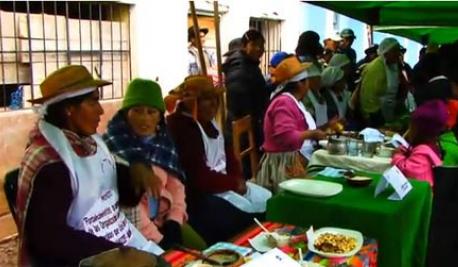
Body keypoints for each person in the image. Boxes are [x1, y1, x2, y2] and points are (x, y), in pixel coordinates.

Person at [16, 65, 163, 266]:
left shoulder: (89, 142)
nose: (101, 110)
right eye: (93, 102)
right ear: (69, 109)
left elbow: (117, 194)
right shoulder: (50, 162)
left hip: (117, 240)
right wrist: (115, 253)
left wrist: (135, 176)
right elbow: (48, 240)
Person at [166, 75, 271, 244]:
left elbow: (229, 155)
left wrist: (237, 179)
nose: (214, 104)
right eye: (207, 100)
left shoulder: (210, 122)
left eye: (215, 99)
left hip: (222, 184)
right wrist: (233, 184)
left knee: (266, 198)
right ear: (193, 103)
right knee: (243, 218)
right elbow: (199, 177)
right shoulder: (181, 126)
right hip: (199, 195)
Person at [103, 78, 205, 250]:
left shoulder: (163, 142)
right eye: (137, 111)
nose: (144, 119)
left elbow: (176, 186)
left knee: (202, 250)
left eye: (151, 112)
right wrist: (160, 240)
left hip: (165, 218)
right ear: (126, 113)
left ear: (160, 115)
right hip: (135, 230)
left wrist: (175, 219)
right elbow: (129, 210)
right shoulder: (114, 148)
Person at [257, 57, 328, 192]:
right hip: (280, 165)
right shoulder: (283, 102)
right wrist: (312, 134)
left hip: (290, 159)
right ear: (301, 84)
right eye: (307, 81)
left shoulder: (292, 101)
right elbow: (287, 137)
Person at [223, 29, 268, 178]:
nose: (259, 49)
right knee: (245, 169)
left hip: (251, 121)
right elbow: (238, 97)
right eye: (255, 45)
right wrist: (254, 115)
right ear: (244, 45)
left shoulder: (249, 64)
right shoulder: (239, 66)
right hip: (242, 125)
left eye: (262, 45)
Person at [392, 100, 448, 186]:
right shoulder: (431, 145)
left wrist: (397, 157)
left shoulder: (422, 151)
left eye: (412, 126)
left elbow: (407, 170)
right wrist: (406, 151)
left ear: (419, 130)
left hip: (420, 193)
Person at [359, 37, 402, 127]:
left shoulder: (394, 66)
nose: (398, 54)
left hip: (389, 112)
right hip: (375, 115)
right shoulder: (376, 68)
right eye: (395, 51)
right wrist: (374, 119)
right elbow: (368, 96)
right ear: (386, 52)